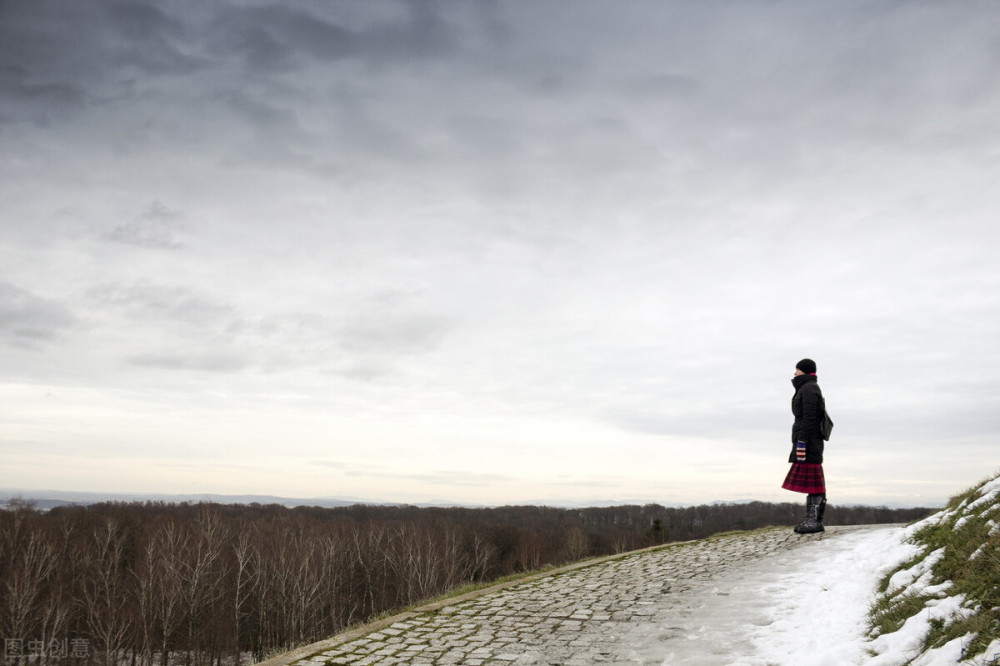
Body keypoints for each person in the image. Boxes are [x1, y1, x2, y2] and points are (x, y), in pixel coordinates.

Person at [782, 358, 827, 533]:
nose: (795, 373)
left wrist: (802, 441)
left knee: (815, 483)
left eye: (798, 370)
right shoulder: (807, 387)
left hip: (809, 441)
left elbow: (809, 417)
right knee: (812, 483)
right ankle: (812, 520)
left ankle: (814, 521)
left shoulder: (809, 388)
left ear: (805, 371)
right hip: (809, 440)